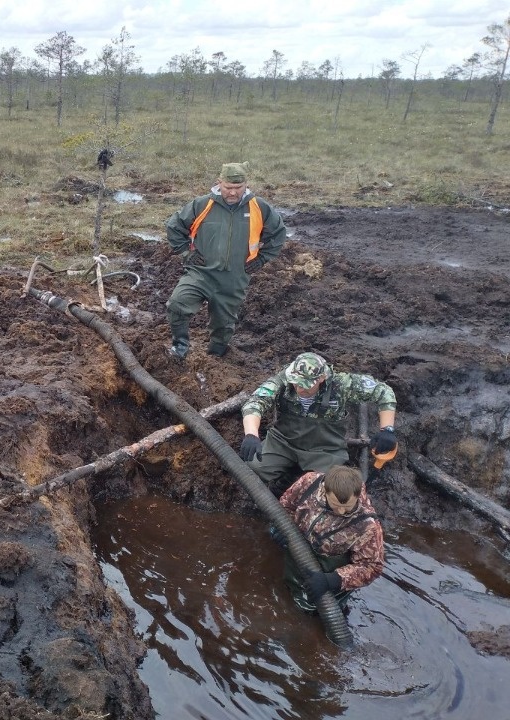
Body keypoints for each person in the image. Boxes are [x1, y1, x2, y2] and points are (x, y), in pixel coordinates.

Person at [165, 161, 287, 359]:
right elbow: (174, 226)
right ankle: (180, 346)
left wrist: (262, 258)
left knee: (223, 326)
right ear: (219, 183)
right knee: (177, 304)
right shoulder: (202, 205)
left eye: (238, 188)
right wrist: (187, 254)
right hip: (201, 273)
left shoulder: (259, 208)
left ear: (246, 184)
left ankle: (215, 357)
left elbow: (278, 234)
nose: (232, 193)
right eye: (228, 187)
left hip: (234, 277)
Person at [239, 351, 398, 497]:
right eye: (296, 383)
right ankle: (285, 479)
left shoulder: (341, 384)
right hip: (283, 442)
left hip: (325, 449)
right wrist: (251, 434)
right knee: (253, 467)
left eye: (306, 384)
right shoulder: (283, 379)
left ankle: (293, 481)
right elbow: (255, 402)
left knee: (328, 487)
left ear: (322, 378)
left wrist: (387, 429)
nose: (300, 388)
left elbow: (383, 391)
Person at [278, 465, 385, 612]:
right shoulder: (310, 482)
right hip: (297, 554)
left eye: (347, 507)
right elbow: (286, 504)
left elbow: (372, 567)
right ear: (325, 490)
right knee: (284, 594)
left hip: (327, 579)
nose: (341, 511)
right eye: (335, 505)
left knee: (310, 613)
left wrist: (333, 580)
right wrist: (282, 529)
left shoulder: (368, 526)